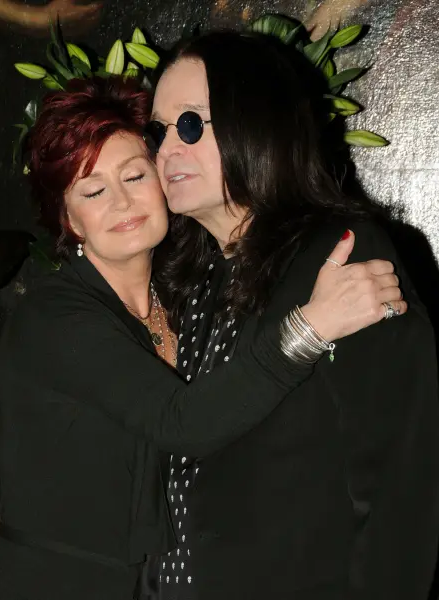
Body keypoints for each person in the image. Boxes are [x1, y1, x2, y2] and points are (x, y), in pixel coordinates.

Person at [0, 75, 405, 600]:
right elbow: (181, 422)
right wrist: (312, 327)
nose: (122, 202)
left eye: (134, 175)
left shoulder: (184, 297)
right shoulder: (54, 315)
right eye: (93, 190)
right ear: (69, 219)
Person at [147, 31, 439, 600]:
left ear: (257, 125)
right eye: (158, 131)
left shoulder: (339, 253)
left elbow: (405, 479)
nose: (166, 150)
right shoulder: (195, 274)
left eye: (190, 125)